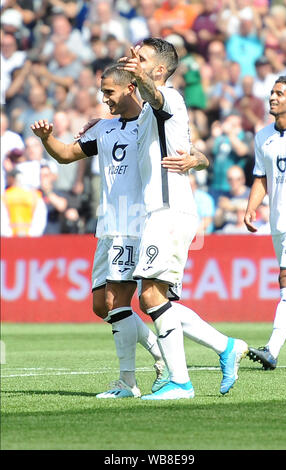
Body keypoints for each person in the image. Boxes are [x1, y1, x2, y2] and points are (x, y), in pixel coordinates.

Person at [119, 38, 248, 399]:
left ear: (159, 70)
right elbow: (191, 149)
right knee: (160, 300)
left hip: (170, 209)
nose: (135, 62)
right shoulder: (151, 109)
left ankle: (180, 382)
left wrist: (139, 77)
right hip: (159, 211)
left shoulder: (167, 96)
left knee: (151, 297)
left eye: (142, 60)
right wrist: (200, 158)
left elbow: (155, 95)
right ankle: (226, 347)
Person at [31, 65, 169, 399]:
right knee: (100, 306)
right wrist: (47, 138)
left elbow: (161, 101)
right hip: (107, 227)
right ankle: (161, 354)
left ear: (130, 88)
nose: (103, 98)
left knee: (116, 300)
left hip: (132, 224)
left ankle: (127, 382)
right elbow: (66, 155)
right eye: (101, 91)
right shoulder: (103, 130)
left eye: (109, 91)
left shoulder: (152, 123)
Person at [244, 75, 286, 370]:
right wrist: (251, 207)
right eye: (272, 93)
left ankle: (272, 349)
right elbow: (261, 176)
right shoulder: (262, 136)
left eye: (280, 93)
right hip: (278, 220)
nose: (273, 97)